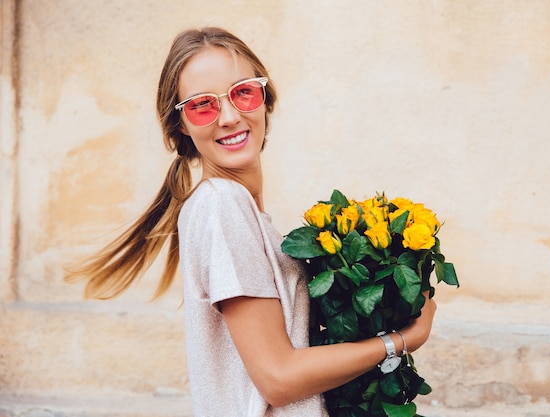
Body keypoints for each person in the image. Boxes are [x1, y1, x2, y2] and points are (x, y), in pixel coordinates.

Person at [66, 27, 437, 417]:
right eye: (202, 105)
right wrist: (402, 339)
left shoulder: (242, 212)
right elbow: (278, 378)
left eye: (243, 92)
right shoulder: (222, 206)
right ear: (181, 125)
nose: (228, 117)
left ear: (264, 99)